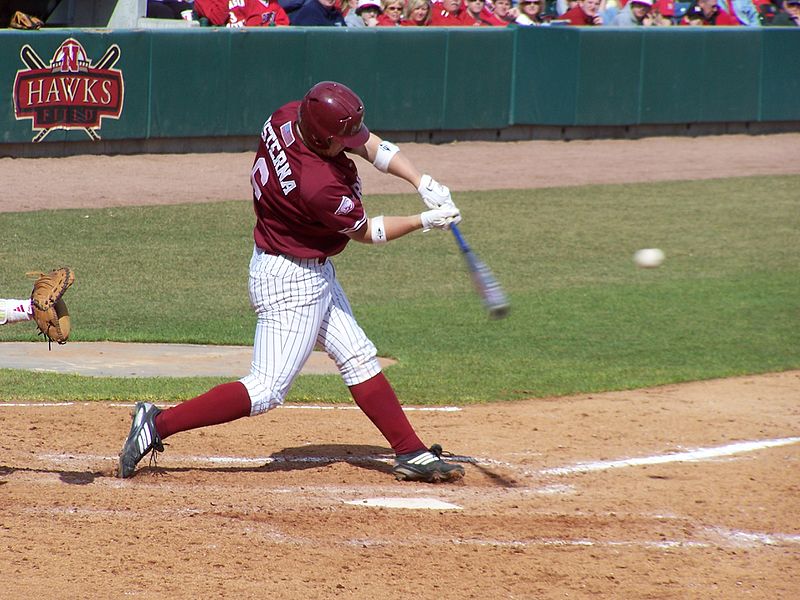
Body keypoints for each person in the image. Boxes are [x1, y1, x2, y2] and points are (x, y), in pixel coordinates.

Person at [117, 81, 465, 484]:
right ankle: (157, 424)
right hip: (291, 281)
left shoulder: (289, 115)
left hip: (299, 264)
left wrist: (421, 182)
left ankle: (410, 452)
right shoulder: (317, 184)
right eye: (340, 139)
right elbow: (368, 232)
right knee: (265, 389)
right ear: (321, 137)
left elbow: (367, 144)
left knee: (357, 356)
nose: (349, 142)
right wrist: (424, 221)